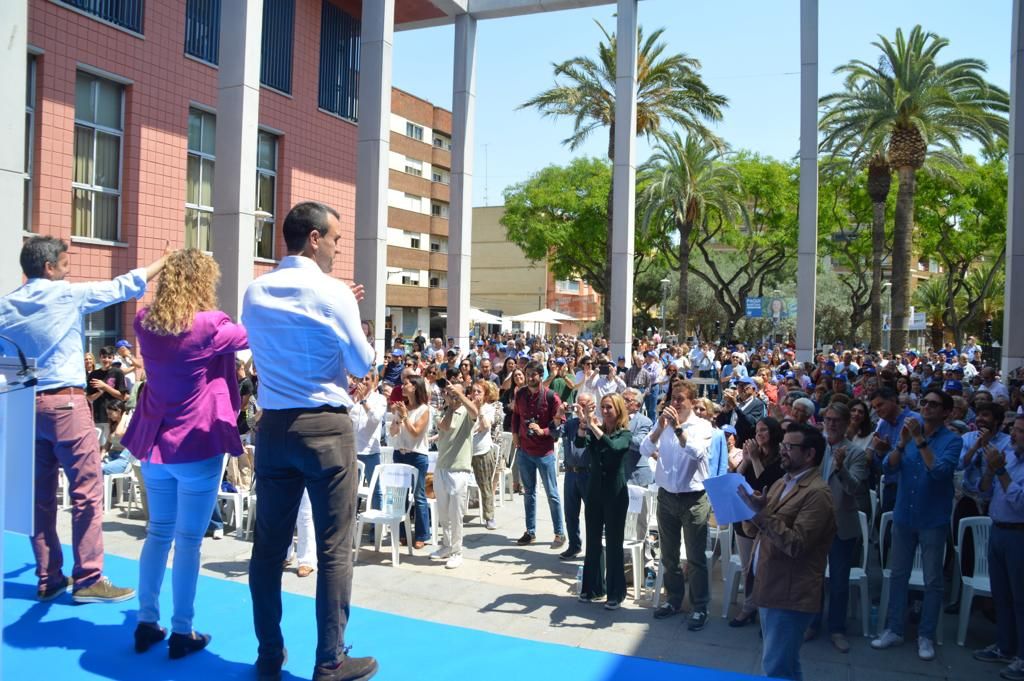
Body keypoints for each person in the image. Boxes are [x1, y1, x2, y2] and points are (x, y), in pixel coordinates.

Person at [242, 202, 377, 681]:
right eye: (337, 240)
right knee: (334, 548)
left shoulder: (254, 291)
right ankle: (329, 659)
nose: (340, 249)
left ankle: (268, 654)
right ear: (316, 239)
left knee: (268, 547)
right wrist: (349, 309)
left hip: (274, 426)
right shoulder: (335, 292)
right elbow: (362, 364)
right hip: (325, 428)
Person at [0, 236, 168, 604]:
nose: (69, 268)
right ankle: (88, 576)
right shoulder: (66, 296)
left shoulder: (5, 306)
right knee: (86, 493)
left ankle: (48, 576)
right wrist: (161, 262)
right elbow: (122, 286)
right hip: (66, 404)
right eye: (65, 262)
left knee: (38, 498)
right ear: (49, 267)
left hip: (24, 405)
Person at [120, 249, 248, 657]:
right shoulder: (212, 326)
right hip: (195, 445)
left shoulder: (144, 321)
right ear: (203, 282)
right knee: (188, 540)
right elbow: (257, 333)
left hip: (154, 446)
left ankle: (145, 621)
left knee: (157, 534)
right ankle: (182, 630)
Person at [738, 422, 837, 681]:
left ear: (809, 454)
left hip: (790, 592)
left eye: (789, 447)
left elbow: (796, 544)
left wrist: (762, 513)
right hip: (771, 583)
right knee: (786, 664)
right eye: (782, 445)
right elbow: (758, 528)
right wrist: (749, 511)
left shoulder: (818, 495)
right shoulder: (784, 482)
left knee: (775, 667)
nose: (782, 451)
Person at [871, 389, 962, 662]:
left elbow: (940, 473)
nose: (927, 407)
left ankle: (926, 635)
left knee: (932, 580)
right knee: (898, 574)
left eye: (934, 404)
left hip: (932, 519)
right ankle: (894, 629)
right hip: (904, 516)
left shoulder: (952, 441)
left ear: (946, 412)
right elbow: (888, 467)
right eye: (924, 402)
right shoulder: (909, 435)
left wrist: (920, 442)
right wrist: (901, 444)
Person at [641, 379, 715, 631]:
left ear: (692, 402)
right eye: (673, 397)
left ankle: (700, 606)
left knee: (695, 558)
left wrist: (679, 428)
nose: (675, 402)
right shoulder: (663, 424)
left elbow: (697, 452)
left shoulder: (703, 426)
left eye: (680, 398)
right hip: (667, 497)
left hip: (693, 499)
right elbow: (644, 448)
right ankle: (673, 599)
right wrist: (660, 429)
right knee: (669, 556)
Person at [963, 414, 1024, 681]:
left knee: (1020, 598)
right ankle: (1005, 646)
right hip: (997, 529)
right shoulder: (1008, 456)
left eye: (1020, 432)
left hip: (1019, 535)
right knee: (1001, 595)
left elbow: (1020, 502)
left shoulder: (1008, 465)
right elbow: (985, 491)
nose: (1013, 435)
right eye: (1014, 430)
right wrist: (990, 470)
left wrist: (1000, 472)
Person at [809, 402, 869, 651]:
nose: (831, 424)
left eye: (836, 420)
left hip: (841, 524)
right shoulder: (816, 446)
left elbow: (856, 488)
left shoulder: (855, 452)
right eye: (828, 419)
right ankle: (812, 624)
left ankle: (837, 629)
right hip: (814, 522)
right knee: (813, 577)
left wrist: (841, 468)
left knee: (839, 580)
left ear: (846, 424)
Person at [576, 393, 633, 609]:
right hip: (595, 491)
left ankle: (615, 593)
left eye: (609, 407)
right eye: (602, 407)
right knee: (592, 541)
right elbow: (580, 443)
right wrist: (583, 424)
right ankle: (592, 588)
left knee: (614, 543)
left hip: (615, 493)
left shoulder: (624, 434)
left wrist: (593, 426)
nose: (605, 411)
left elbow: (614, 447)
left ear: (618, 410)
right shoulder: (597, 430)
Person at [728, 417, 786, 627]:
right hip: (746, 517)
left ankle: (766, 610)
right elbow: (736, 477)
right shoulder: (753, 455)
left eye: (764, 431)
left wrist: (755, 459)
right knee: (748, 567)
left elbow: (769, 483)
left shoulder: (781, 458)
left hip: (768, 519)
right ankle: (749, 607)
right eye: (758, 431)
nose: (759, 434)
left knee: (766, 567)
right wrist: (746, 459)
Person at [512, 360, 565, 548]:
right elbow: (516, 415)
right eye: (528, 374)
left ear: (541, 375)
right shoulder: (521, 395)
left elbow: (561, 423)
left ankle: (559, 533)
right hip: (525, 450)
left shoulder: (552, 397)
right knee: (529, 493)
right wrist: (515, 434)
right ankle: (530, 531)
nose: (530, 378)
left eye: (534, 374)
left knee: (552, 493)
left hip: (545, 452)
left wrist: (544, 431)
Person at [432, 382, 478, 569]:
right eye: (448, 392)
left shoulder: (467, 412)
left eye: (455, 392)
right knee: (443, 513)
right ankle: (446, 545)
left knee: (456, 514)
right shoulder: (441, 412)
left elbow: (475, 411)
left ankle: (457, 552)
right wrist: (451, 406)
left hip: (459, 469)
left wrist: (460, 396)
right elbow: (444, 426)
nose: (451, 395)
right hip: (441, 467)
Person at [388, 374, 432, 548]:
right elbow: (392, 432)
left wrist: (405, 417)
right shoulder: (401, 407)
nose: (402, 386)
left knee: (419, 495)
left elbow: (415, 432)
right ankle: (402, 533)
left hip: (417, 455)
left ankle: (422, 534)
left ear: (415, 387)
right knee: (400, 495)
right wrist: (397, 420)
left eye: (405, 384)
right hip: (400, 453)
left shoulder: (424, 409)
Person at [560, 394, 593, 561]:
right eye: (578, 404)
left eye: (584, 404)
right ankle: (574, 545)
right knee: (570, 513)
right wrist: (559, 414)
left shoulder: (595, 424)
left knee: (592, 514)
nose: (579, 407)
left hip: (588, 473)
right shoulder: (570, 423)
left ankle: (594, 549)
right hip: (571, 473)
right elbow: (554, 432)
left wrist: (585, 419)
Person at [469, 379, 500, 530]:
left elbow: (486, 425)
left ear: (485, 395)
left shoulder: (489, 408)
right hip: (465, 452)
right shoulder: (466, 407)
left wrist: (479, 409)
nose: (475, 394)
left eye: (478, 392)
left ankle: (489, 516)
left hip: (482, 451)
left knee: (485, 485)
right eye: (473, 391)